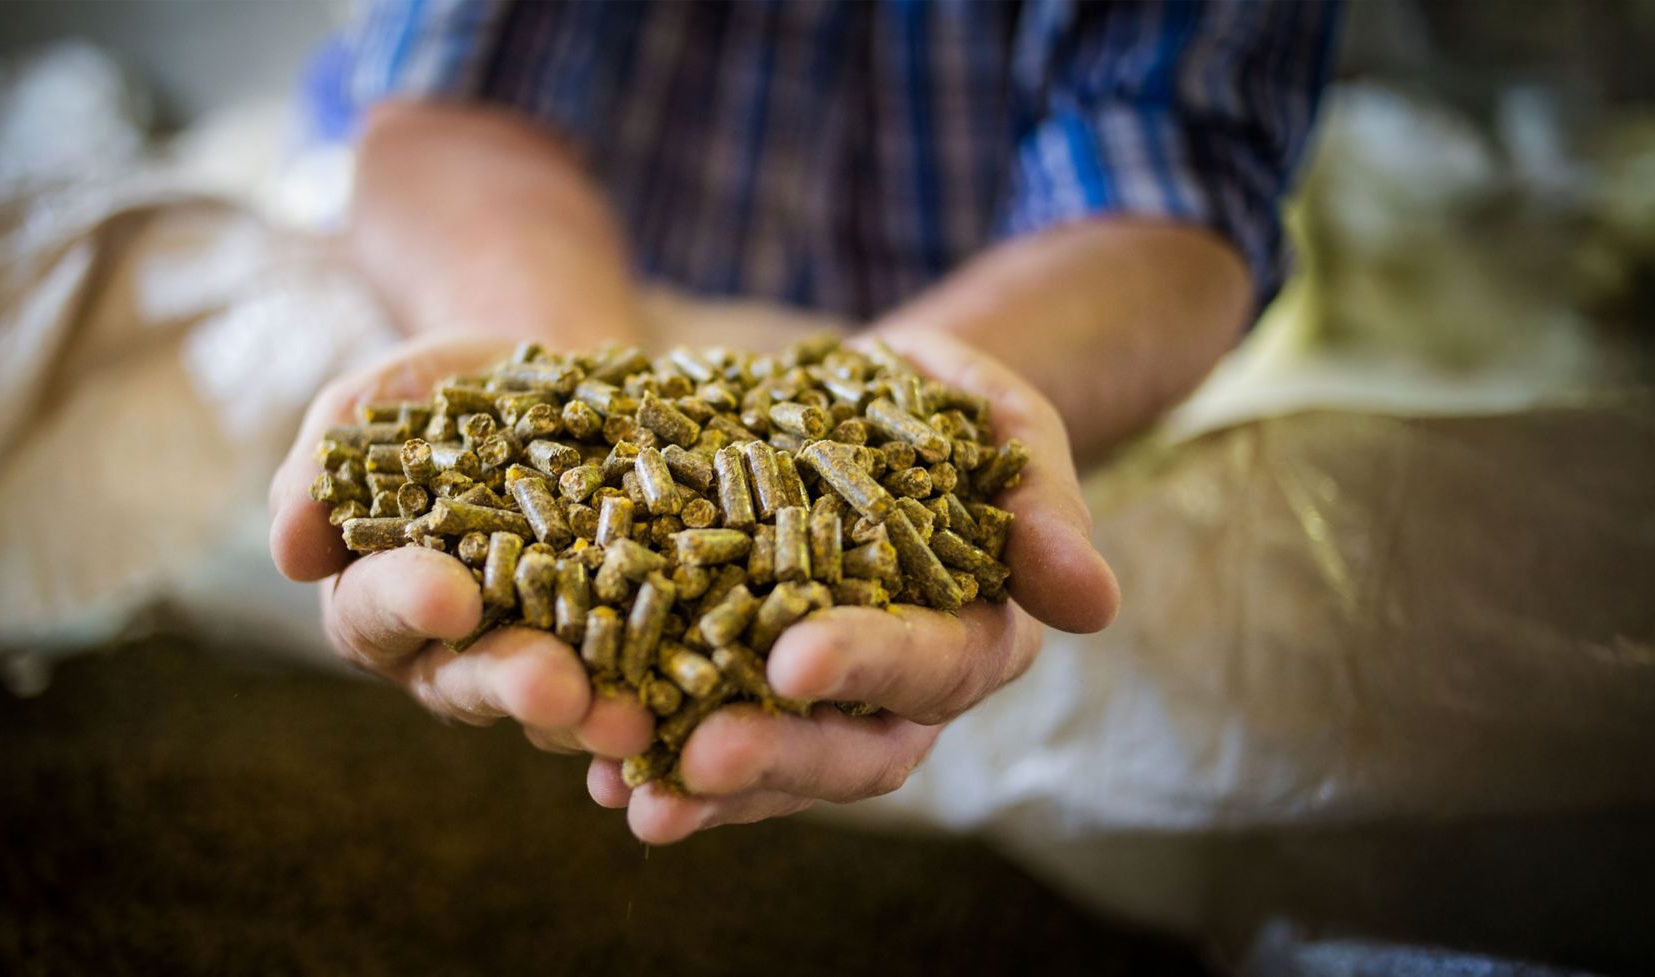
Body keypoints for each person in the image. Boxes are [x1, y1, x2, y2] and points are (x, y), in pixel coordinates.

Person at [267, 0, 1338, 844]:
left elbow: (1175, 184)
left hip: (991, 311)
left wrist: (915, 397)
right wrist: (553, 362)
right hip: (535, 272)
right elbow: (451, 110)